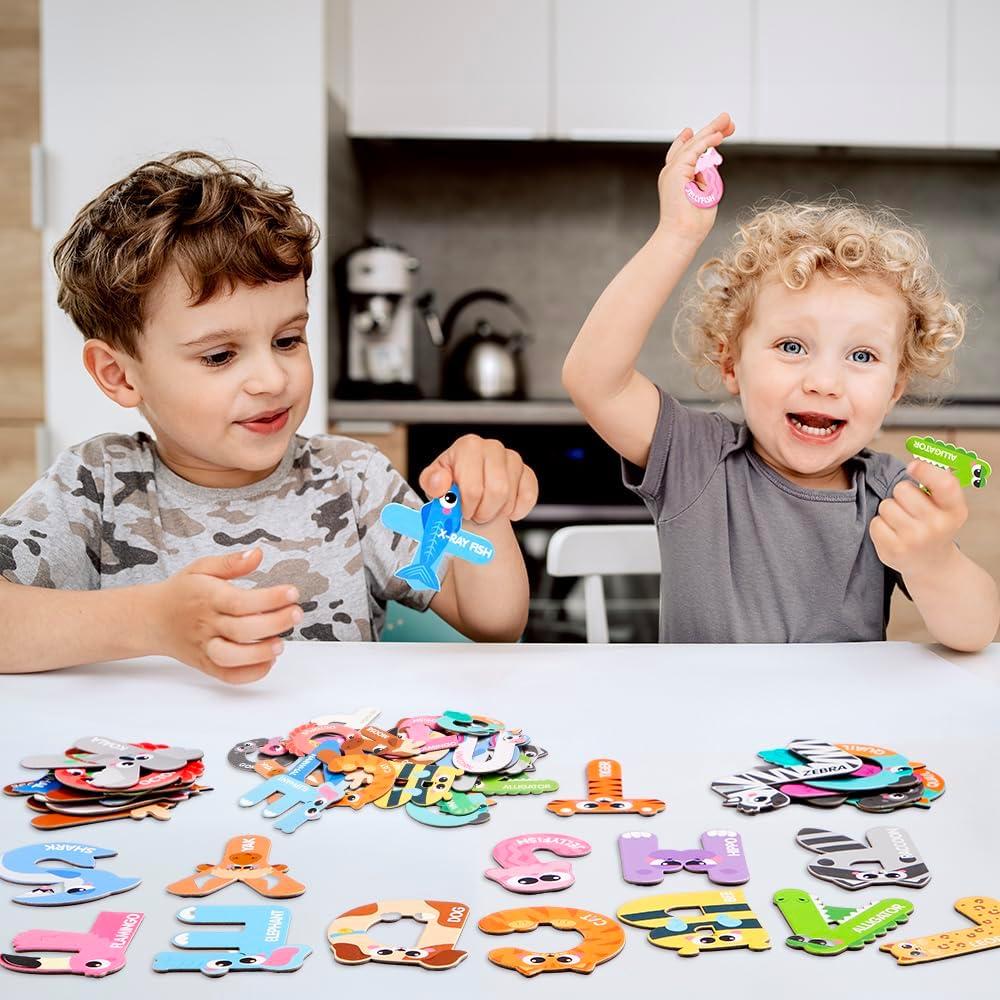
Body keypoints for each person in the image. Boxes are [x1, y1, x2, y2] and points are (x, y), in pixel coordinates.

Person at [0, 152, 537, 682]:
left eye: (287, 340)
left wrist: (481, 510)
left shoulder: (353, 480)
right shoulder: (95, 486)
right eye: (219, 356)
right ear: (119, 375)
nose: (273, 379)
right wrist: (151, 621)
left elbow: (494, 623)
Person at [562, 112, 998, 650]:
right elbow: (594, 379)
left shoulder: (888, 492)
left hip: (837, 713)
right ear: (731, 364)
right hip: (706, 708)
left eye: (862, 355)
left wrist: (934, 560)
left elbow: (977, 632)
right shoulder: (695, 460)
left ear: (893, 389)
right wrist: (677, 233)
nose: (824, 382)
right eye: (792, 347)